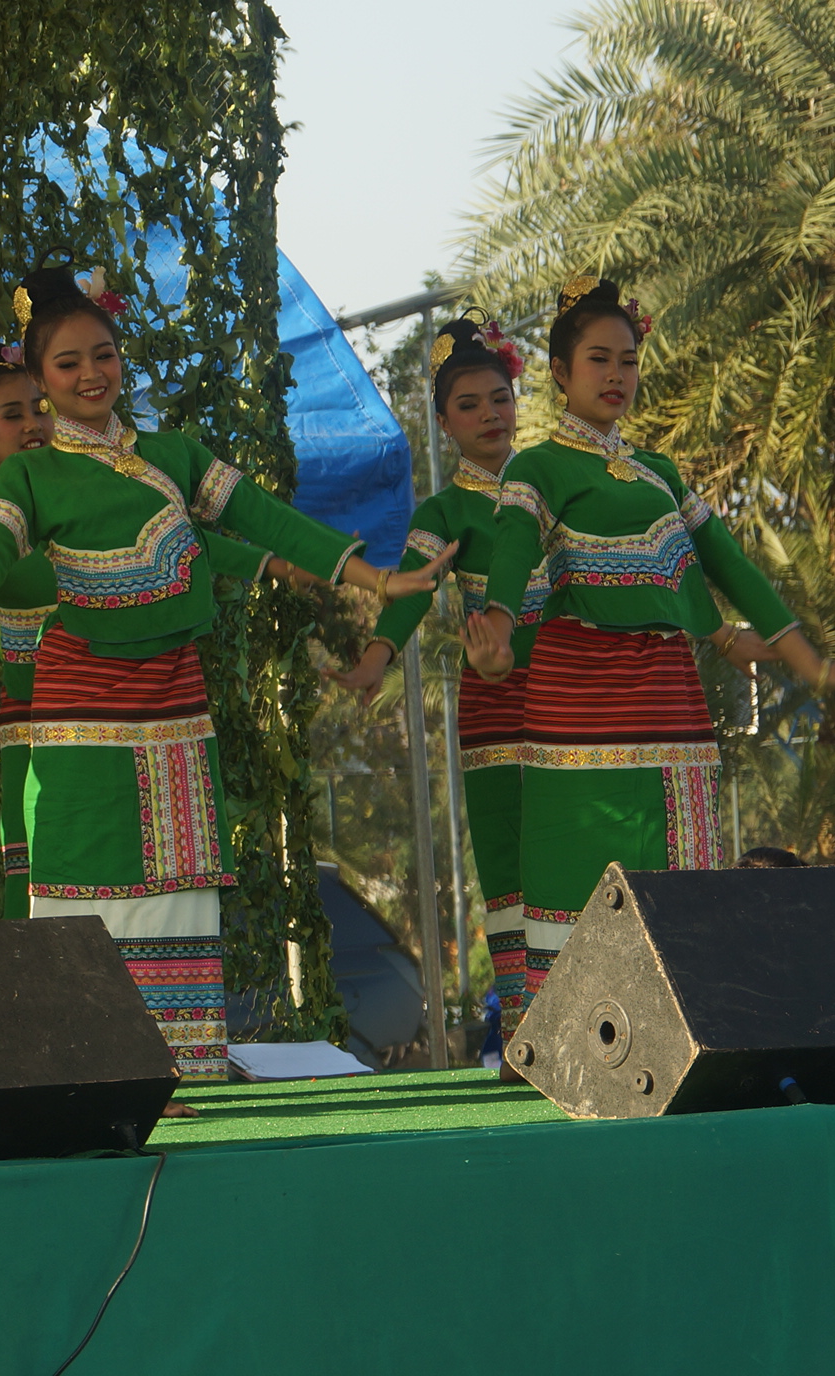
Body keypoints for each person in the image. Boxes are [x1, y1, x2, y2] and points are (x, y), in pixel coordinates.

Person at [0, 265, 452, 1100]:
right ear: (42, 382)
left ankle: (180, 1087)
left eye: (103, 354)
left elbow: (261, 519)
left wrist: (374, 577)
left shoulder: (172, 456)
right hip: (82, 714)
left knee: (178, 886)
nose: (91, 374)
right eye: (67, 364)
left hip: (173, 704)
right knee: (82, 888)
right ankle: (83, 1088)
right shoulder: (31, 476)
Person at [470, 276, 835, 1004]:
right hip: (579, 705)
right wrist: (496, 622)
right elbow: (515, 544)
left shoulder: (659, 472)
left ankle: (692, 1037)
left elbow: (729, 564)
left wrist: (809, 662)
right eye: (599, 360)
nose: (617, 375)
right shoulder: (537, 467)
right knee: (575, 886)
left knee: (680, 893)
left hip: (669, 699)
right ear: (560, 373)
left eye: (628, 360)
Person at [0, 344, 315, 919]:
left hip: (142, 711)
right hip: (47, 737)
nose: (32, 425)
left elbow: (187, 539)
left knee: (167, 880)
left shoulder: (91, 496)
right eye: (11, 415)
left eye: (39, 408)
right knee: (54, 897)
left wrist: (274, 563)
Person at [324, 311, 546, 1056]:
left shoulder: (554, 484)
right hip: (496, 704)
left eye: (500, 399)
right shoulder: (445, 511)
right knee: (510, 866)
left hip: (576, 694)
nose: (490, 415)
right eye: (469, 405)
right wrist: (376, 658)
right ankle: (528, 1033)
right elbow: (413, 592)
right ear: (444, 423)